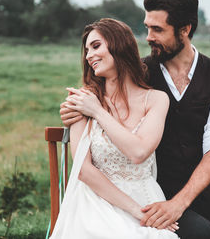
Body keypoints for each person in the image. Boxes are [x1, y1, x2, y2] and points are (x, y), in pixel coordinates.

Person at [61, 0, 210, 239]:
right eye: (147, 27)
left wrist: (180, 203)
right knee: (200, 234)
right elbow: (104, 95)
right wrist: (74, 111)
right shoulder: (138, 73)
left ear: (185, 29)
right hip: (156, 193)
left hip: (207, 195)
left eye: (157, 29)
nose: (148, 37)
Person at [51, 18, 179, 238]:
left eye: (96, 46)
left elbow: (139, 152)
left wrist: (97, 112)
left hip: (146, 197)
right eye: (87, 50)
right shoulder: (82, 100)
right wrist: (135, 211)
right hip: (96, 201)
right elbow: (83, 170)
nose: (89, 55)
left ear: (119, 44)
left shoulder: (156, 100)